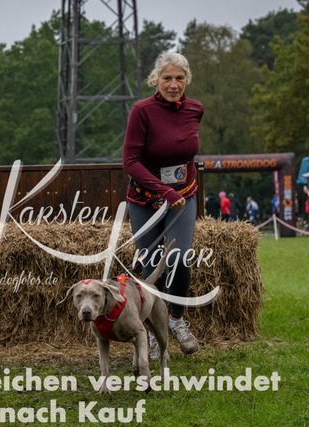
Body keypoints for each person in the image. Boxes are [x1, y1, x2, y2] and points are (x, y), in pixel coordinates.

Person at [123, 52, 202, 360]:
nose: (173, 84)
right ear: (156, 79)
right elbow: (130, 162)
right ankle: (154, 334)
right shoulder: (141, 111)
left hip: (183, 197)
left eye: (179, 78)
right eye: (167, 78)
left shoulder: (195, 109)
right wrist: (163, 191)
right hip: (145, 199)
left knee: (179, 258)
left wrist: (175, 191)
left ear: (187, 81)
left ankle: (177, 321)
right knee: (152, 265)